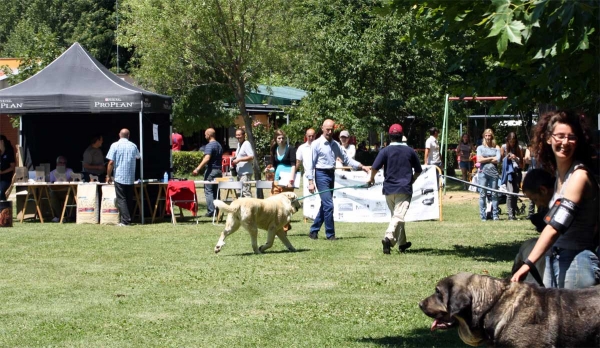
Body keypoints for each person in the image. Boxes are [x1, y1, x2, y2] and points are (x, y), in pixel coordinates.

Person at [511, 110, 599, 289]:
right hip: (555, 258)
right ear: (548, 138)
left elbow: (556, 226)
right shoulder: (560, 175)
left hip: (577, 263)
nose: (565, 142)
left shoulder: (579, 176)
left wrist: (528, 263)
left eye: (571, 137)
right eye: (560, 136)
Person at [305, 119, 370, 240]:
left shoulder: (335, 145)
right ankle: (330, 235)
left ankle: (313, 231)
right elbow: (310, 164)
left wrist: (362, 166)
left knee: (325, 205)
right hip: (321, 174)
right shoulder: (316, 144)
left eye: (331, 129)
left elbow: (347, 159)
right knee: (329, 205)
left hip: (331, 174)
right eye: (327, 129)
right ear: (322, 128)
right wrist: (310, 181)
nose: (329, 132)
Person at [367, 124, 422, 254]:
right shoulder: (410, 151)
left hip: (389, 189)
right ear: (402, 135)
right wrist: (412, 179)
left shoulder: (385, 151)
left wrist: (372, 178)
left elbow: (374, 167)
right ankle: (388, 238)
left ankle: (402, 243)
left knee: (396, 216)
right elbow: (418, 170)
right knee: (398, 216)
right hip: (404, 188)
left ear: (390, 136)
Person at [106, 129, 141, 227]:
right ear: (128, 135)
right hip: (130, 177)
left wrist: (108, 175)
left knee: (121, 199)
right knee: (129, 198)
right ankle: (129, 218)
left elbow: (111, 162)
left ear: (119, 135)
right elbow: (138, 157)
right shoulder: (133, 146)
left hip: (119, 176)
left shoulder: (114, 145)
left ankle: (125, 220)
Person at [192, 128, 223, 217]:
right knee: (216, 191)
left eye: (205, 134)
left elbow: (207, 158)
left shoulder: (209, 145)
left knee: (208, 190)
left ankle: (211, 211)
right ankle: (217, 211)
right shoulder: (219, 145)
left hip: (211, 171)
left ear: (209, 135)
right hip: (219, 171)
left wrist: (197, 169)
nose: (205, 136)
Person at [476, 128, 500, 221]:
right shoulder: (480, 148)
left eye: (489, 135)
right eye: (486, 135)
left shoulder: (496, 147)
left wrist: (485, 158)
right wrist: (491, 158)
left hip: (493, 173)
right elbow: (479, 160)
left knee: (494, 194)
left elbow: (497, 160)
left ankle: (495, 215)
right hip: (483, 174)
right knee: (482, 194)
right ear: (484, 136)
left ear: (492, 136)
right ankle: (483, 216)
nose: (487, 137)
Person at [500, 132, 524, 220]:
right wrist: (507, 157)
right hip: (508, 172)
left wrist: (516, 158)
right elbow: (500, 160)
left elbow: (522, 163)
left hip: (517, 171)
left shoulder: (519, 148)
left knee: (515, 193)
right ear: (508, 140)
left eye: (514, 141)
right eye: (510, 141)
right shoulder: (503, 147)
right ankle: (510, 214)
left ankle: (513, 213)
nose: (512, 143)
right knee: (510, 193)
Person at [268, 129, 297, 194]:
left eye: (283, 138)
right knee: (273, 201)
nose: (281, 140)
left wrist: (291, 180)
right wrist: (269, 170)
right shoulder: (274, 149)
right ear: (276, 139)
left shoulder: (291, 149)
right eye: (279, 138)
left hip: (287, 180)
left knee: (286, 201)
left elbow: (293, 165)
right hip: (277, 179)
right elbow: (275, 166)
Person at [49, 155, 75, 222]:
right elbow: (50, 185)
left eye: (64, 163)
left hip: (67, 191)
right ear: (57, 164)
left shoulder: (70, 171)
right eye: (61, 162)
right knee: (52, 194)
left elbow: (75, 180)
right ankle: (59, 216)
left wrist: (71, 179)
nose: (62, 164)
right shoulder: (52, 173)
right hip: (57, 192)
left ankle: (70, 216)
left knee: (69, 195)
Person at [231, 128, 254, 198]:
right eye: (236, 135)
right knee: (239, 192)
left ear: (244, 135)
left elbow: (251, 156)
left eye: (239, 135)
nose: (238, 137)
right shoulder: (239, 144)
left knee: (246, 192)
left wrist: (239, 160)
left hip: (245, 174)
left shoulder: (246, 143)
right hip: (239, 173)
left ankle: (250, 208)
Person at [0, 134, 16, 201]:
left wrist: (2, 172)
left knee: (1, 192)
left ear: (2, 141)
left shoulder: (9, 152)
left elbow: (12, 167)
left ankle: (3, 208)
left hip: (6, 179)